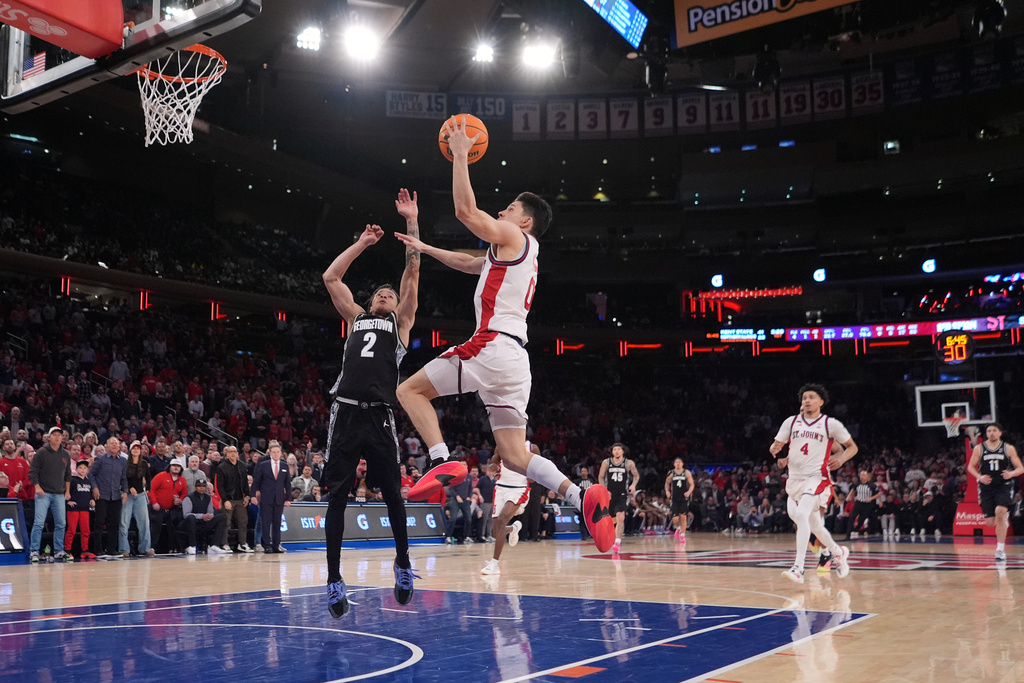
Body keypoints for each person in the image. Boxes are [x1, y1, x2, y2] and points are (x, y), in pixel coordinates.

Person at [395, 117, 613, 551]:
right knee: (514, 455)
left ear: (525, 222)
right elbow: (467, 261)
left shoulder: (513, 236)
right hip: (515, 362)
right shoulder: (517, 254)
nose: (503, 213)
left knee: (409, 392)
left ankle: (442, 461)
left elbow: (466, 212)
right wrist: (423, 247)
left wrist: (459, 154)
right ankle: (581, 494)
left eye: (510, 209)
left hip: (491, 344)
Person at [319, 188, 423, 618]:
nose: (384, 295)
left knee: (394, 495)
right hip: (344, 411)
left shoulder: (399, 324)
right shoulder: (357, 318)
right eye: (379, 293)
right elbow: (330, 278)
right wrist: (362, 243)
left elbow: (412, 273)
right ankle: (333, 579)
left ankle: (402, 561)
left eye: (389, 294)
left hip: (379, 417)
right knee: (337, 499)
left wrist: (412, 222)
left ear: (398, 307)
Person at [770, 383, 857, 584]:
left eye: (811, 397)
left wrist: (842, 459)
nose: (807, 400)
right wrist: (776, 450)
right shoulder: (791, 422)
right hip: (795, 480)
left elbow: (852, 447)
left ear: (821, 402)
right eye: (804, 398)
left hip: (817, 478)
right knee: (814, 525)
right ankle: (838, 552)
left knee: (802, 515)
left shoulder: (830, 424)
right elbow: (777, 446)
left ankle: (798, 567)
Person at [967, 422, 1023, 561]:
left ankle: (999, 549)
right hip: (986, 487)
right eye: (989, 431)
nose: (991, 433)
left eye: (994, 430)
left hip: (1003, 485)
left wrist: (1011, 474)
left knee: (1000, 511)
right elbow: (970, 467)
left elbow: (1020, 468)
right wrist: (979, 477)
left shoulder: (1008, 448)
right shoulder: (980, 448)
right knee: (990, 523)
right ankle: (1002, 520)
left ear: (1000, 433)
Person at [481, 442, 535, 575]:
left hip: (519, 489)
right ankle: (513, 528)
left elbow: (538, 470)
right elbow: (493, 463)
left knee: (502, 519)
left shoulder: (532, 448)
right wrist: (492, 468)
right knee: (496, 532)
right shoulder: (501, 445)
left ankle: (495, 563)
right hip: (500, 488)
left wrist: (533, 475)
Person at [28, 427, 73, 563]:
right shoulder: (41, 453)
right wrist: (37, 486)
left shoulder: (66, 454)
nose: (57, 437)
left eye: (60, 435)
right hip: (44, 493)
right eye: (54, 435)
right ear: (49, 437)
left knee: (61, 523)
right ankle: (34, 550)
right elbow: (33, 472)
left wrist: (68, 491)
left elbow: (68, 475)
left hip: (59, 493)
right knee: (39, 523)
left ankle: (59, 551)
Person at [88, 436, 128, 559]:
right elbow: (91, 474)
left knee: (114, 524)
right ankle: (98, 550)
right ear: (107, 446)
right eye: (112, 443)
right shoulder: (100, 459)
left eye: (116, 443)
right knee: (99, 523)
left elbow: (124, 478)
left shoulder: (123, 461)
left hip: (116, 496)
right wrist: (94, 487)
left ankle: (111, 549)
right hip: (102, 495)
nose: (114, 445)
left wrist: (125, 491)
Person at [598, 443, 640, 554]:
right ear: (612, 452)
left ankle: (617, 542)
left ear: (623, 451)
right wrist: (604, 490)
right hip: (610, 494)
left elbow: (636, 475)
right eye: (614, 449)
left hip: (622, 494)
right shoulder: (606, 462)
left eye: (619, 449)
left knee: (620, 517)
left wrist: (633, 485)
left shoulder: (628, 463)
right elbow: (601, 477)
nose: (616, 451)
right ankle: (611, 537)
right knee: (612, 520)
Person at [253, 442, 291, 554]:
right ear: (270, 453)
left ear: (281, 453)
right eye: (273, 452)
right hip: (266, 498)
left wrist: (288, 498)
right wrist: (253, 495)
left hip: (279, 498)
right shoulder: (263, 465)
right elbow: (256, 481)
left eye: (277, 452)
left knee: (277, 523)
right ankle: (267, 545)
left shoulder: (285, 466)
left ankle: (276, 545)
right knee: (265, 522)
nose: (275, 454)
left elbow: (287, 483)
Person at [119, 440, 153, 558]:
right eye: (134, 448)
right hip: (127, 495)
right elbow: (122, 478)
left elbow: (148, 477)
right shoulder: (125, 463)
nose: (136, 450)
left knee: (144, 523)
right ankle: (124, 548)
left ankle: (145, 547)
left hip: (140, 495)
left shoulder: (143, 463)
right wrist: (128, 489)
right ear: (130, 450)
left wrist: (147, 488)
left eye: (138, 448)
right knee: (124, 522)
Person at [216, 445, 253, 553]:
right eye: (230, 451)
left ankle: (242, 543)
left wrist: (247, 496)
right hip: (228, 499)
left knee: (243, 521)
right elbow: (220, 485)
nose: (232, 453)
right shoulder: (221, 467)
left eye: (234, 451)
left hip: (240, 499)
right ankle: (224, 544)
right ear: (226, 454)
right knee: (226, 522)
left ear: (237, 453)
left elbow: (245, 483)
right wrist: (224, 500)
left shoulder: (242, 465)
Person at [148, 459, 188, 553]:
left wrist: (180, 500)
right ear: (170, 467)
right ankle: (151, 547)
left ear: (181, 469)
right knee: (156, 526)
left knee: (175, 525)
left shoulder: (182, 480)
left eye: (178, 466)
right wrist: (154, 502)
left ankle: (174, 548)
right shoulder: (161, 476)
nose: (175, 467)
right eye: (173, 465)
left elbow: (185, 493)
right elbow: (151, 489)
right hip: (158, 506)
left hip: (171, 508)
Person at [181, 479, 228, 555]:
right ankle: (192, 546)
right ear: (195, 487)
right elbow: (186, 514)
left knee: (222, 517)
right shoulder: (188, 498)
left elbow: (211, 511)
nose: (201, 488)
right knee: (191, 518)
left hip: (204, 522)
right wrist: (202, 516)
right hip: (192, 523)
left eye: (203, 486)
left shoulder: (208, 498)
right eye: (199, 486)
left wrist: (209, 516)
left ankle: (214, 545)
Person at [65, 459, 96, 559]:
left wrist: (91, 499)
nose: (83, 470)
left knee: (86, 531)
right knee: (71, 530)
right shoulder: (72, 480)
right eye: (80, 468)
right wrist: (68, 502)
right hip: (73, 510)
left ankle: (85, 550)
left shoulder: (88, 481)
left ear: (87, 470)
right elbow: (65, 492)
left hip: (85, 509)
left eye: (85, 468)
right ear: (76, 469)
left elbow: (89, 493)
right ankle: (67, 550)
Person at [665, 457, 695, 546]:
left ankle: (683, 534)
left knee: (683, 516)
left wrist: (689, 492)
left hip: (683, 497)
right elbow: (666, 483)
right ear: (674, 464)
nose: (678, 463)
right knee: (675, 518)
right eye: (676, 462)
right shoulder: (671, 473)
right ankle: (678, 528)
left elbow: (692, 484)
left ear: (682, 464)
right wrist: (667, 491)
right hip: (674, 498)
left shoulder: (687, 472)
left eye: (679, 462)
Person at [846, 469, 881, 539]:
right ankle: (848, 535)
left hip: (867, 504)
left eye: (864, 475)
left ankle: (856, 530)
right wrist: (849, 496)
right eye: (861, 475)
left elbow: (879, 494)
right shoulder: (857, 484)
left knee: (861, 520)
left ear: (867, 476)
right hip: (858, 502)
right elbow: (853, 489)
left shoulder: (872, 485)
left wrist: (871, 498)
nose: (862, 476)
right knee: (852, 518)